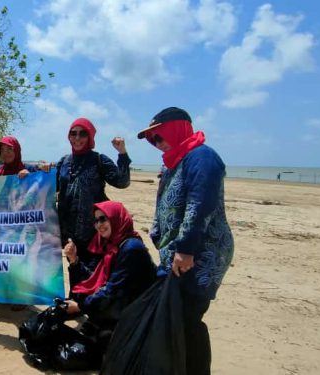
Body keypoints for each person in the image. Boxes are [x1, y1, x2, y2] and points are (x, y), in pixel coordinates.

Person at [137, 106, 234, 375]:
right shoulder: (175, 160)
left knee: (188, 319)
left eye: (159, 136)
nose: (157, 144)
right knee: (175, 317)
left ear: (176, 128)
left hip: (200, 254)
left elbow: (200, 205)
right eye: (152, 140)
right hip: (178, 253)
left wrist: (186, 250)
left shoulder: (202, 157)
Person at [63, 201, 156, 349]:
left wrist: (80, 307)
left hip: (138, 311)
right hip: (123, 303)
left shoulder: (131, 248)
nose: (98, 225)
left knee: (104, 340)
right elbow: (95, 279)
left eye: (103, 219)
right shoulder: (112, 244)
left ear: (115, 218)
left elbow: (112, 290)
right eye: (96, 221)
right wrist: (74, 260)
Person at [56, 118, 131, 275]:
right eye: (73, 133)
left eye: (82, 134)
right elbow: (51, 189)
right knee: (75, 270)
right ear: (68, 136)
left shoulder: (98, 160)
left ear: (90, 137)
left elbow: (122, 182)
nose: (77, 138)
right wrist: (38, 172)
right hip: (69, 233)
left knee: (95, 275)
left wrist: (122, 153)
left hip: (96, 231)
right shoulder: (63, 162)